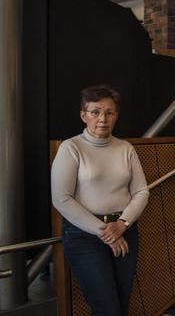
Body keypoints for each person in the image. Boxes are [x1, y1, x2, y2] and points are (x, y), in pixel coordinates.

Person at [51, 85, 149, 315]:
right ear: (83, 115)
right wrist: (105, 232)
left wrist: (122, 225)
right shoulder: (71, 147)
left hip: (125, 229)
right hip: (84, 235)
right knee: (107, 308)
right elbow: (61, 199)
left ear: (116, 116)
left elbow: (141, 191)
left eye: (109, 112)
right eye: (95, 112)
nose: (102, 118)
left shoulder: (125, 148)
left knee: (121, 303)